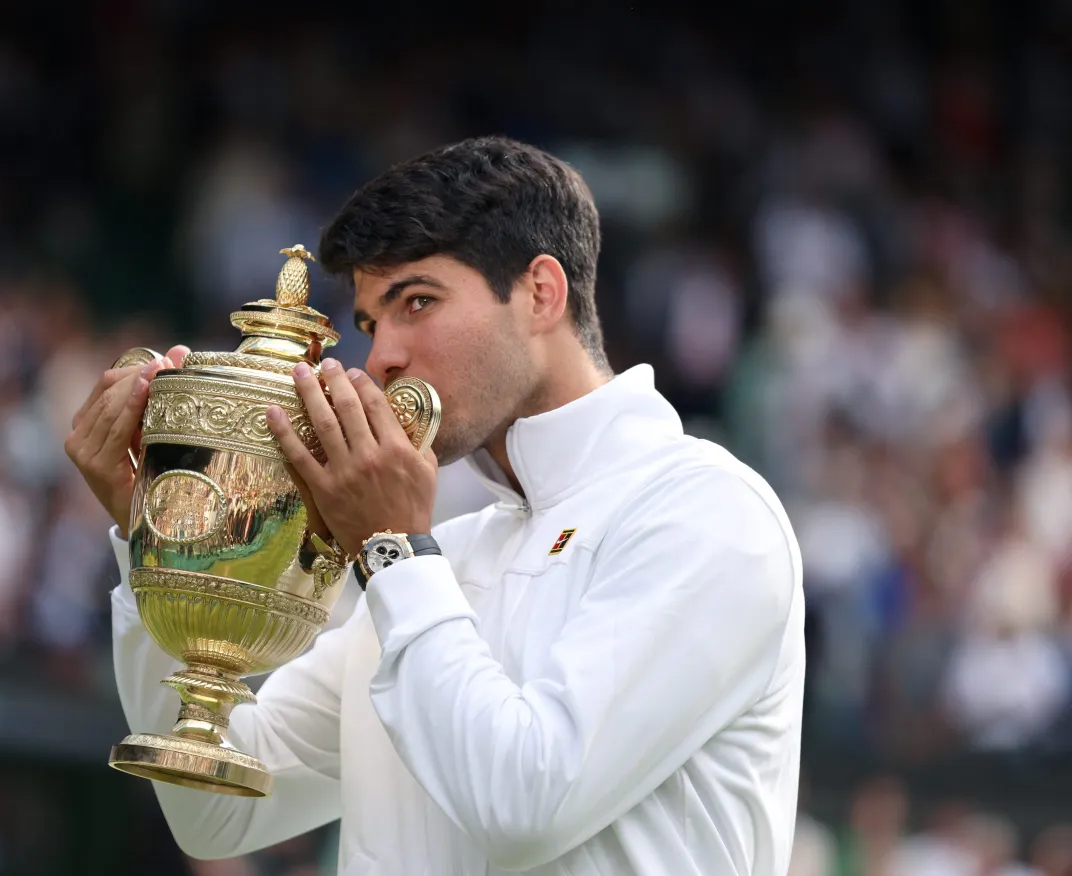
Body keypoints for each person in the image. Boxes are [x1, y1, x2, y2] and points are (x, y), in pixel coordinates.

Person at [66, 136, 805, 875]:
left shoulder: (708, 511)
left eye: (417, 302)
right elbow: (217, 808)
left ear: (541, 293)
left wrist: (392, 548)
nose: (380, 356)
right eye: (369, 324)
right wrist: (158, 538)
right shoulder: (441, 554)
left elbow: (525, 807)